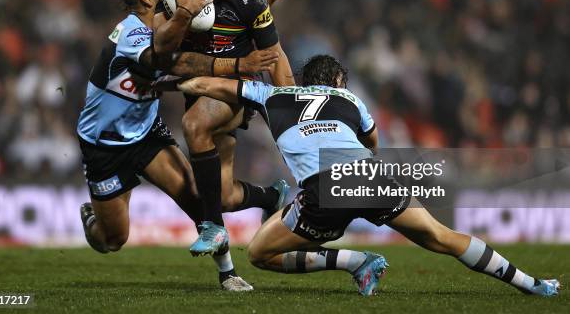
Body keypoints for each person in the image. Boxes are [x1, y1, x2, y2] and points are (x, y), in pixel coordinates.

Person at [174, 55, 561, 297]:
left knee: (260, 253)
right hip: (370, 174)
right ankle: (533, 284)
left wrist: (171, 79)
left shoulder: (270, 95)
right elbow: (372, 142)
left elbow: (207, 85)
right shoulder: (351, 99)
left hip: (325, 190)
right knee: (442, 237)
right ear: (338, 82)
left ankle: (356, 261)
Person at [76, 0, 279, 291]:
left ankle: (228, 273)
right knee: (113, 239)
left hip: (146, 134)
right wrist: (236, 63)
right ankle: (92, 221)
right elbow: (169, 62)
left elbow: (235, 24)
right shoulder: (130, 32)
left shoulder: (169, 28)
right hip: (104, 146)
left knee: (197, 195)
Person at [154, 0, 308, 256]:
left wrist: (292, 114)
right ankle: (273, 196)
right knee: (222, 195)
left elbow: (273, 55)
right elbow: (160, 49)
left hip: (238, 87)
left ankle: (213, 228)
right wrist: (181, 14)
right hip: (201, 87)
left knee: (194, 125)